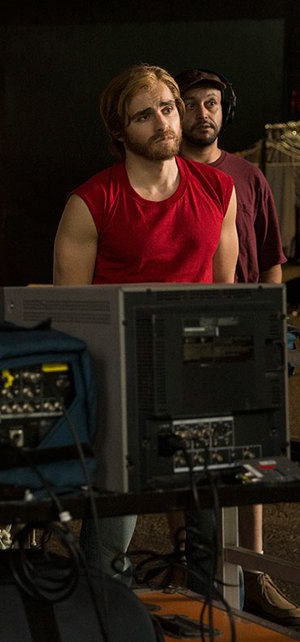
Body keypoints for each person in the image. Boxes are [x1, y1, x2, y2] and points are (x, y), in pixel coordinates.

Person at [52, 63, 238, 583]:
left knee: (210, 533)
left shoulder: (220, 190)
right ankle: (103, 613)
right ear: (119, 131)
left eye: (168, 108)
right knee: (111, 539)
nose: (163, 122)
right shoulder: (91, 203)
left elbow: (224, 298)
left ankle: (207, 612)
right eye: (143, 116)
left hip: (196, 373)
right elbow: (70, 320)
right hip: (122, 382)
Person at [175, 68, 296, 623]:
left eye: (212, 103)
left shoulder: (249, 177)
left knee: (253, 454)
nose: (203, 113)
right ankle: (185, 567)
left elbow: (271, 259)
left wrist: (270, 325)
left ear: (225, 112)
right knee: (181, 456)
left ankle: (256, 573)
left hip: (243, 332)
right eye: (191, 103)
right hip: (182, 332)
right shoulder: (165, 174)